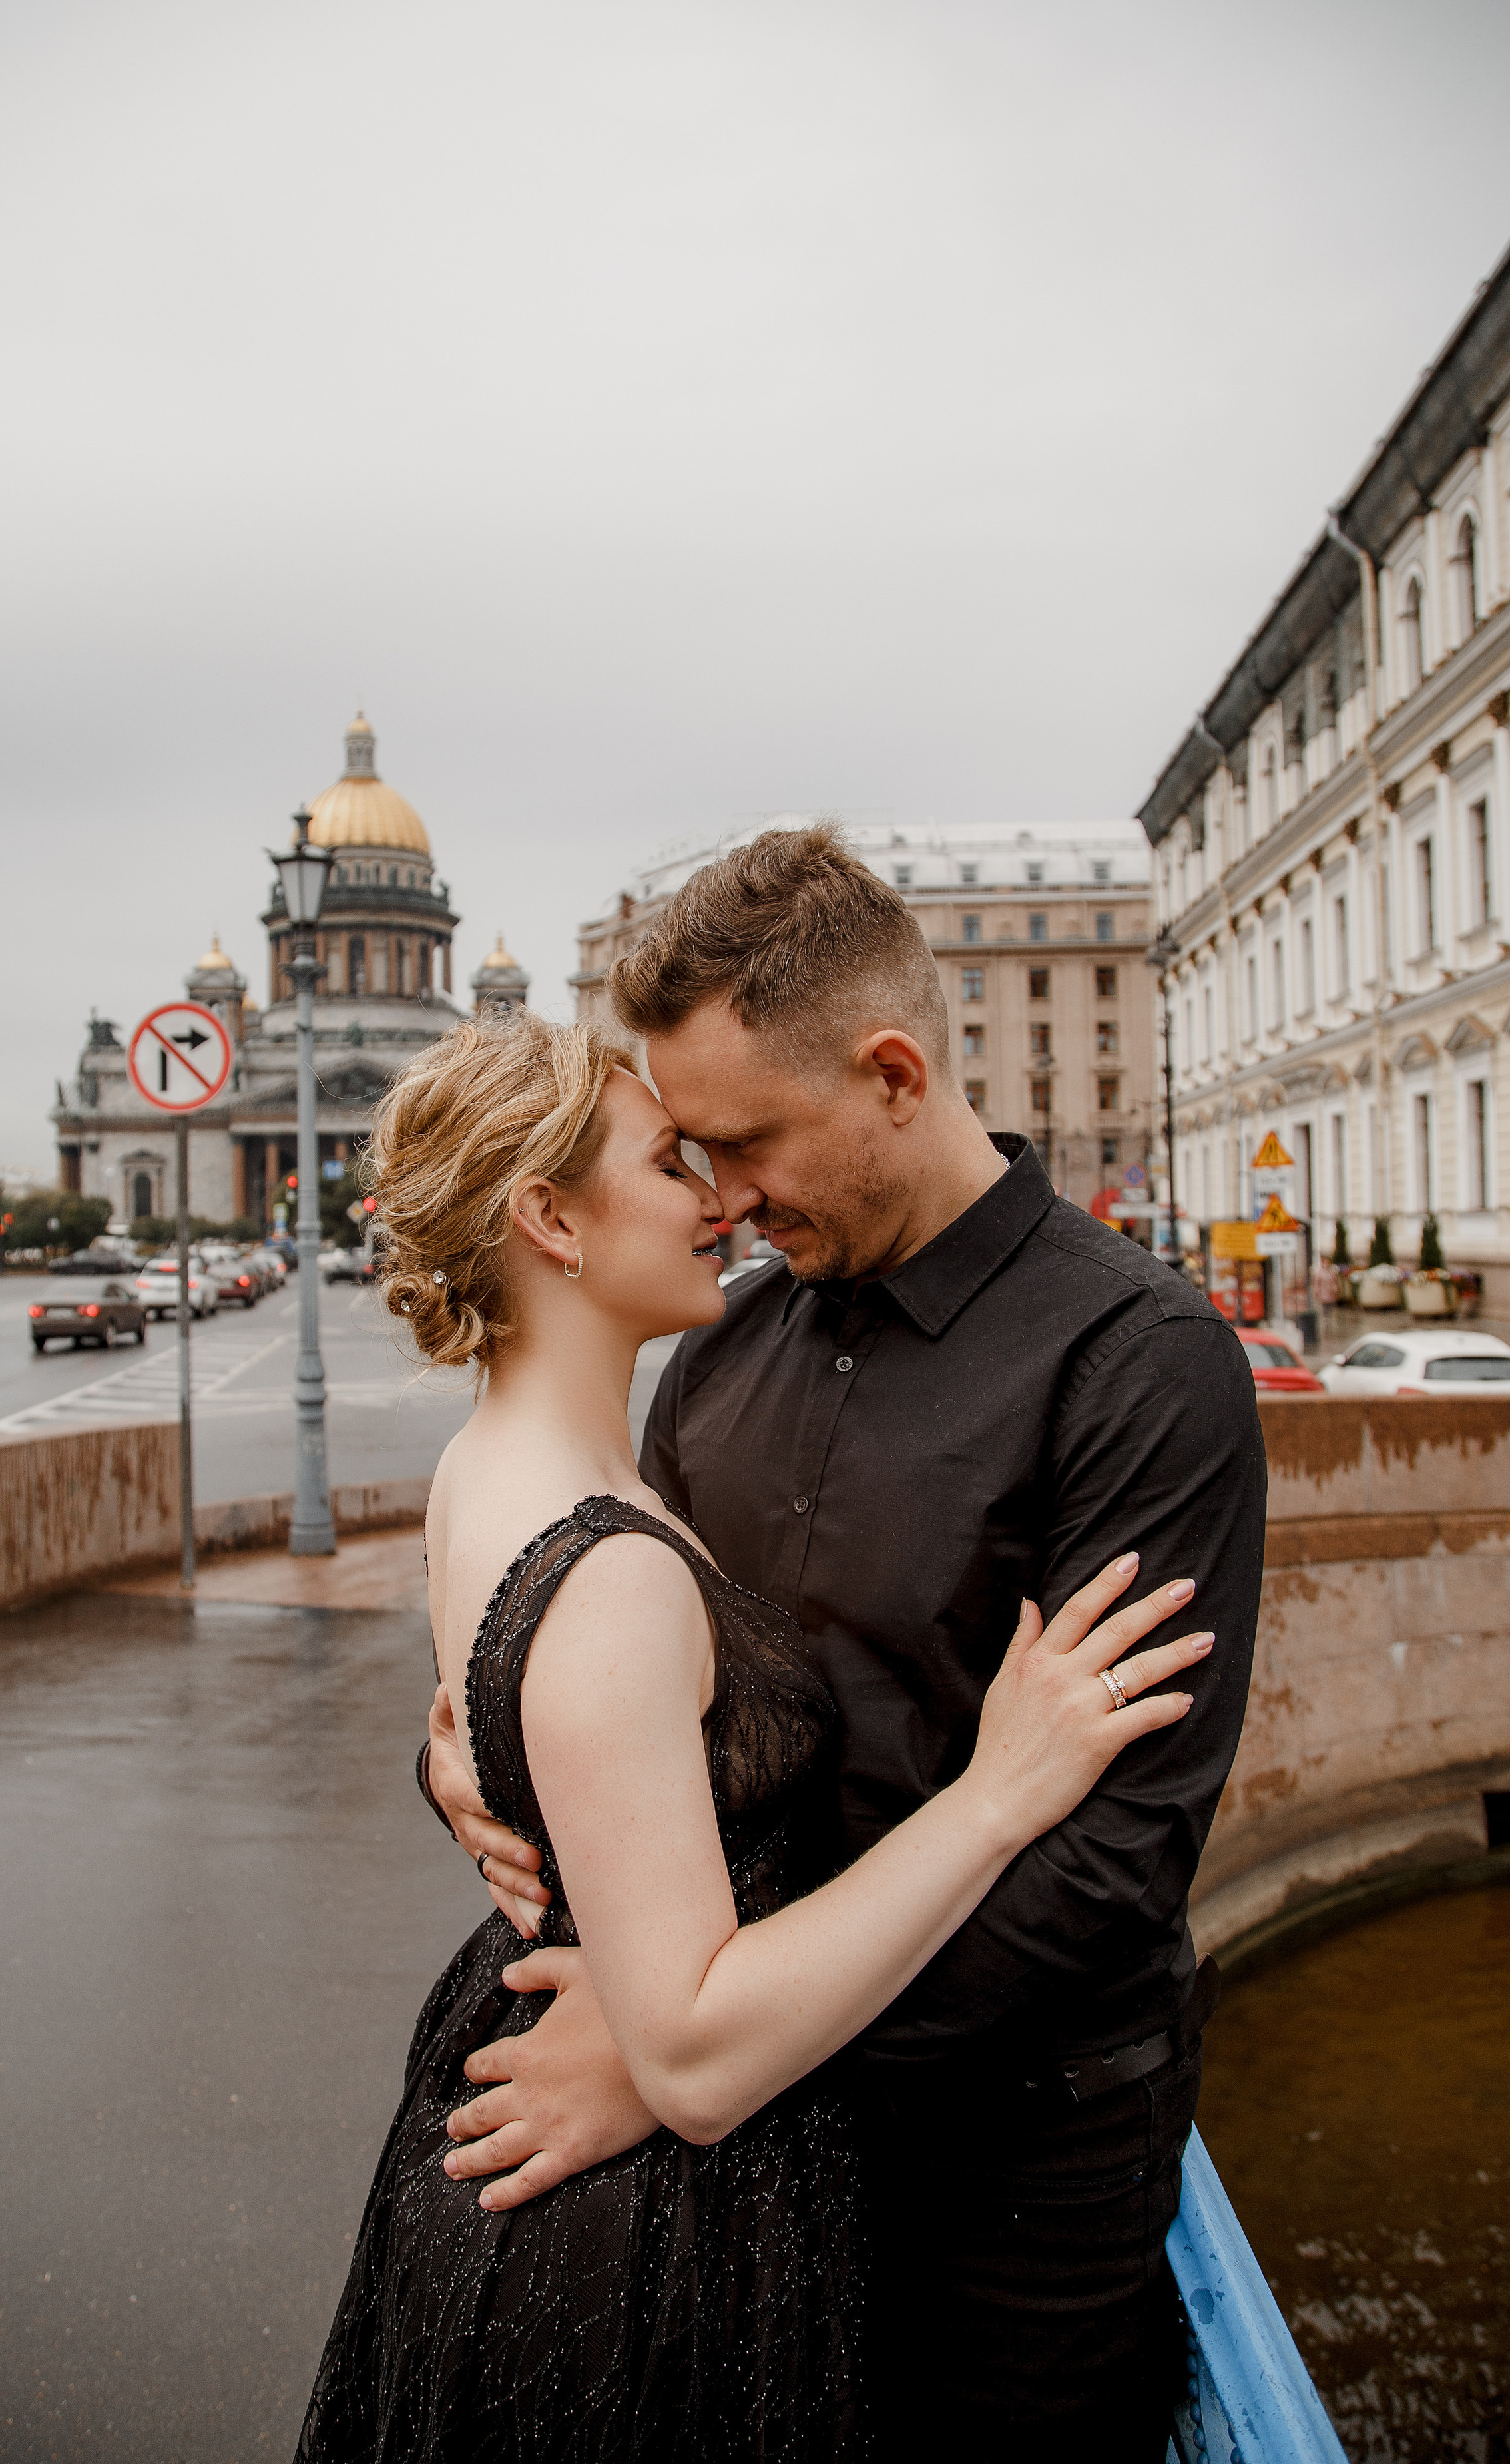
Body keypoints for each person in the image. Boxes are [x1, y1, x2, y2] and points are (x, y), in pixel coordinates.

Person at [424, 827, 1266, 2464]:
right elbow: (606, 1674)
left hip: (1009, 2179)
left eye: (745, 1144)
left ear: (891, 1074)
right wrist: (459, 1756)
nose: (722, 1199)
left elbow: (1106, 1869)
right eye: (689, 1153)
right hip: (735, 2134)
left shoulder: (1141, 1365)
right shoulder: (718, 1356)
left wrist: (684, 2059)